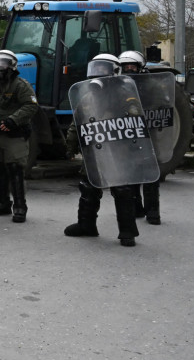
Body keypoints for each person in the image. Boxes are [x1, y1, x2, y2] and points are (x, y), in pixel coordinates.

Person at [64, 54, 144, 247]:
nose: (98, 73)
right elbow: (77, 122)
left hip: (118, 149)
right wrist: (71, 146)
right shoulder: (88, 96)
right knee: (89, 186)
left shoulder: (125, 93)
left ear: (115, 70)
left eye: (103, 68)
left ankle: (127, 232)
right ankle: (86, 225)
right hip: (95, 148)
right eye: (96, 68)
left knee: (122, 189)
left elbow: (135, 117)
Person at [0, 49, 39, 223]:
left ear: (12, 67)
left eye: (3, 63)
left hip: (14, 136)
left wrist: (13, 120)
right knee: (1, 169)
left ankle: (20, 207)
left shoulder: (20, 85)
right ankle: (3, 203)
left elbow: (31, 105)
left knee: (15, 169)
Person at [119, 50, 161, 225]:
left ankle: (153, 212)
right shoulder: (117, 84)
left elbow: (161, 103)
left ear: (139, 67)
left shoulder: (150, 84)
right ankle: (135, 207)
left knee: (150, 173)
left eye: (132, 66)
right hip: (127, 133)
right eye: (126, 66)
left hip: (148, 133)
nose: (129, 69)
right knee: (131, 172)